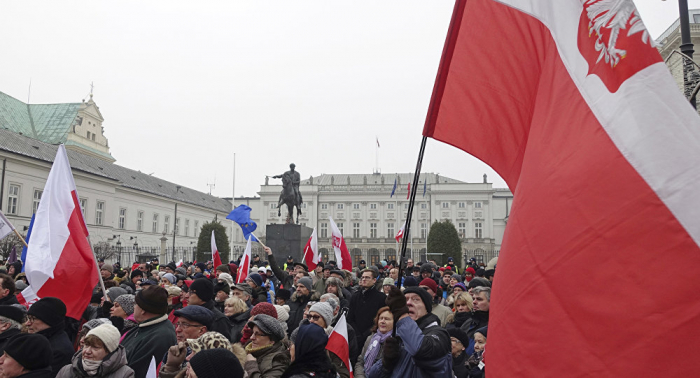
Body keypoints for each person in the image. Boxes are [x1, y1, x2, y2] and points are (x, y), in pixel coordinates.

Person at [367, 286, 452, 377]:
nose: (408, 303)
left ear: (426, 308)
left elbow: (419, 349)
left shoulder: (439, 334)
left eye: (416, 299)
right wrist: (387, 362)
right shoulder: (399, 336)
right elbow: (372, 375)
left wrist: (401, 314)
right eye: (405, 300)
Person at [120, 286, 177, 378]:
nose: (134, 308)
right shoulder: (142, 327)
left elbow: (136, 372)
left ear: (143, 310)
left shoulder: (160, 337)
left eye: (136, 304)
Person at [57, 324, 134, 378]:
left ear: (109, 351)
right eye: (86, 345)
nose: (87, 351)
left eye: (95, 347)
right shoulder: (67, 370)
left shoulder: (125, 374)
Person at [25, 297, 73, 377]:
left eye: (33, 319)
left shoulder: (60, 351)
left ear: (49, 320)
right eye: (28, 318)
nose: (27, 323)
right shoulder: (38, 340)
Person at [347, 269, 386, 344]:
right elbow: (350, 317)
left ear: (374, 280)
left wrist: (367, 333)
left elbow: (380, 319)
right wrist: (357, 334)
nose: (364, 279)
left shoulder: (381, 298)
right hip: (356, 336)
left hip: (373, 336)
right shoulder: (355, 296)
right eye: (363, 277)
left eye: (367, 277)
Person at [354, 307, 393, 378]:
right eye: (381, 318)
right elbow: (360, 362)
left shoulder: (395, 342)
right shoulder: (370, 339)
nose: (382, 321)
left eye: (387, 319)